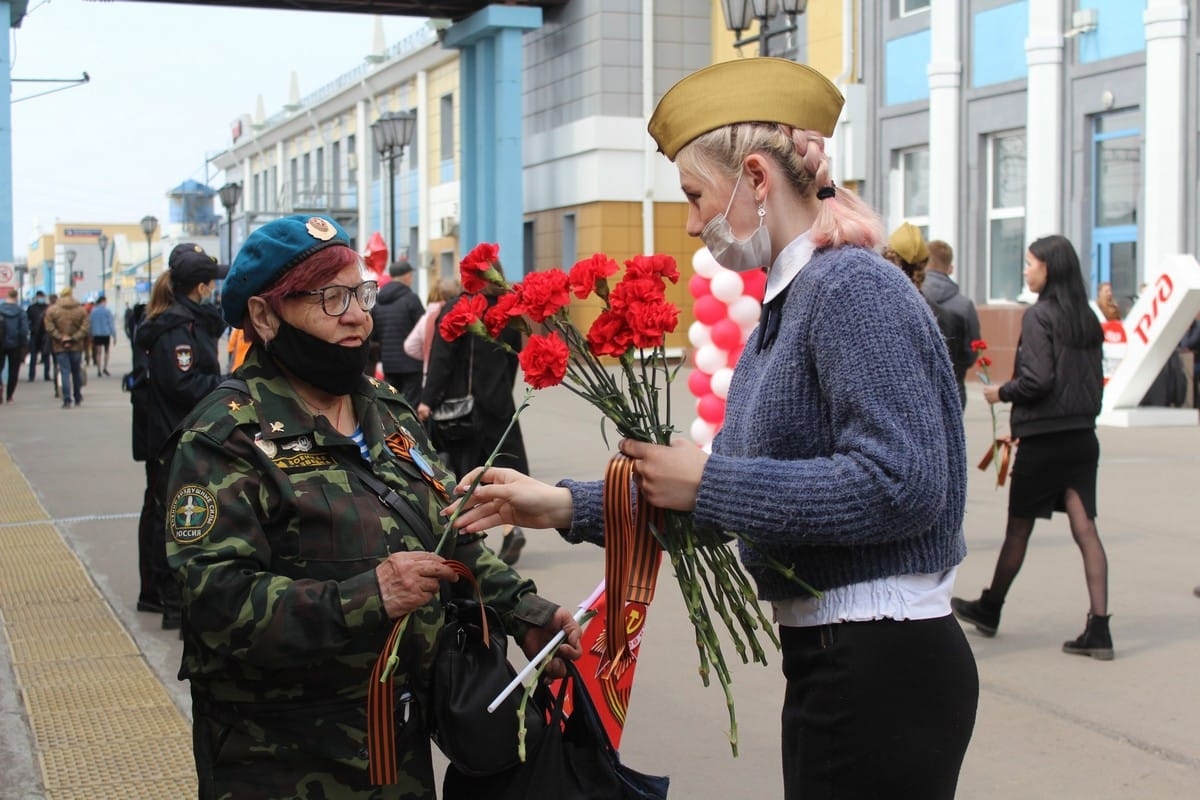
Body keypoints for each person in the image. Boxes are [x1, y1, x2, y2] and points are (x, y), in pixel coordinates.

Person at [449, 58, 977, 800]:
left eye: (695, 195)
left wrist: (712, 480)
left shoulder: (851, 286)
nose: (693, 222)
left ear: (756, 179)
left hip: (881, 662)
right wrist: (564, 504)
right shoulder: (794, 299)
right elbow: (719, 494)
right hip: (843, 656)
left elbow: (904, 483)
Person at [162, 213, 581, 799]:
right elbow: (213, 602)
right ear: (264, 315)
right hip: (281, 762)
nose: (359, 314)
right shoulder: (225, 437)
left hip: (397, 748)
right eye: (330, 298)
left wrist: (524, 612)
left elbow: (443, 534)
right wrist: (367, 596)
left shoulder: (386, 410)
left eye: (360, 292)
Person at [952, 235, 1114, 660]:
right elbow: (1088, 384)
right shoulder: (1088, 319)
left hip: (1043, 443)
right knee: (1086, 530)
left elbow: (1039, 380)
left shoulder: (1040, 317)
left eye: (1030, 263)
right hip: (1082, 438)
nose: (1025, 270)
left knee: (1018, 530)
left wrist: (1002, 393)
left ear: (1049, 269)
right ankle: (1100, 628)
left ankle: (990, 608)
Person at [133, 244, 228, 629]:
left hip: (169, 430)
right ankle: (167, 600)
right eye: (210, 282)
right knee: (171, 517)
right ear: (201, 287)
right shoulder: (179, 329)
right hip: (171, 435)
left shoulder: (186, 321)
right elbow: (183, 383)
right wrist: (226, 383)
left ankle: (156, 594)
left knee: (164, 513)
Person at [418, 265, 529, 567]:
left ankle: (468, 546)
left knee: (463, 475)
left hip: (462, 408)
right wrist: (502, 388)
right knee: (503, 472)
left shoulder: (459, 308)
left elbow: (442, 358)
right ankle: (510, 526)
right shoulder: (507, 309)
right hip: (498, 402)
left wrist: (428, 399)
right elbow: (512, 354)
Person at [922, 239, 981, 409]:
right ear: (950, 267)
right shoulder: (964, 304)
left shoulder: (915, 296)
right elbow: (972, 349)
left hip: (923, 388)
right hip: (955, 385)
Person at [371, 258, 425, 405]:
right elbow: (423, 330)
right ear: (407, 276)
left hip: (389, 363)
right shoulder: (411, 299)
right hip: (412, 364)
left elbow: (374, 334)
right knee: (411, 405)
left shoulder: (378, 302)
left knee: (392, 403)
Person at [404, 276, 462, 386]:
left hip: (430, 376)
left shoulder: (427, 317)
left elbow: (409, 346)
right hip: (456, 377)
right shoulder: (462, 316)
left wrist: (427, 355)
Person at [43, 287, 89, 408]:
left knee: (64, 372)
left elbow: (49, 327)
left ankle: (67, 399)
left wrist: (61, 337)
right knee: (76, 372)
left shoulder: (52, 310)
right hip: (76, 346)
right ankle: (77, 397)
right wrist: (73, 338)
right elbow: (85, 327)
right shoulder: (81, 310)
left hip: (60, 346)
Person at [1, 288, 30, 404]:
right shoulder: (21, 312)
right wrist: (24, 345)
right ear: (16, 297)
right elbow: (24, 330)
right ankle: (9, 396)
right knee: (14, 370)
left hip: (0, 343)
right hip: (16, 344)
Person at [25, 290, 51, 383]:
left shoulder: (47, 307)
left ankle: (46, 375)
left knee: (46, 355)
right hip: (35, 334)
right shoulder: (32, 308)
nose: (41, 298)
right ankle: (32, 375)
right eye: (40, 297)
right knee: (34, 356)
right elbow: (27, 320)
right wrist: (31, 329)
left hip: (45, 334)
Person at [89, 294, 116, 377]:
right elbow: (111, 324)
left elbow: (90, 323)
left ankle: (99, 370)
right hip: (105, 333)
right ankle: (105, 367)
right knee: (107, 351)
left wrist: (90, 334)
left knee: (98, 352)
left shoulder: (93, 311)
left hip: (96, 334)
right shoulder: (107, 311)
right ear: (103, 301)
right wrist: (114, 335)